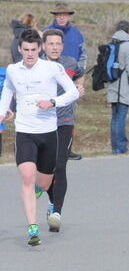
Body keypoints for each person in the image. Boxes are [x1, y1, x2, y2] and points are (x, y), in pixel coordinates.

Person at [0, 29, 79, 245]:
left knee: (43, 183)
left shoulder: (53, 68)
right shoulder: (13, 70)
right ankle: (32, 228)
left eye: (33, 50)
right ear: (19, 49)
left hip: (48, 133)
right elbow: (7, 90)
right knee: (26, 177)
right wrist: (2, 111)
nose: (29, 54)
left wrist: (53, 102)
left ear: (40, 48)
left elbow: (72, 92)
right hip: (24, 132)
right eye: (25, 50)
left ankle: (43, 193)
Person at [42, 29, 85, 233]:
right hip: (42, 123)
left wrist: (79, 88)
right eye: (51, 44)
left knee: (60, 165)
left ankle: (56, 211)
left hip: (65, 121)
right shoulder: (37, 66)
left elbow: (80, 75)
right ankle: (51, 199)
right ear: (44, 46)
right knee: (45, 168)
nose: (55, 47)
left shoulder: (69, 63)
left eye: (58, 44)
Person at [106, 20, 129, 155]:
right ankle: (121, 147)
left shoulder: (112, 43)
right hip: (124, 87)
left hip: (112, 85)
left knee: (115, 117)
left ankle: (115, 147)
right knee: (121, 117)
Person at [43, 3, 86, 71]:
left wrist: (80, 70)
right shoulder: (44, 32)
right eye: (59, 15)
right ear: (54, 16)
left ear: (69, 17)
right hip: (49, 73)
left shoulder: (77, 34)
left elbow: (83, 55)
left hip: (71, 74)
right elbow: (39, 53)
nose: (62, 18)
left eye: (65, 15)